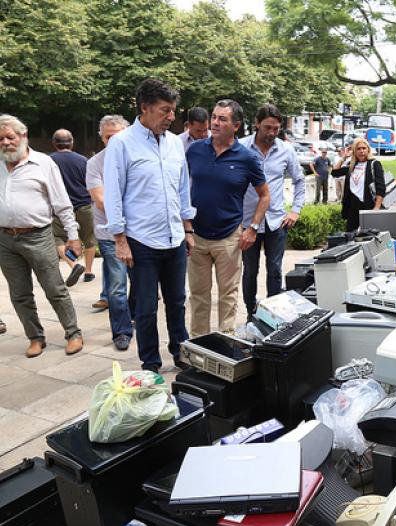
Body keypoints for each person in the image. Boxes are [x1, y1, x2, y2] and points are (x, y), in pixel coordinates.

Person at [102, 78, 196, 373]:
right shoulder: (122, 144)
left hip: (174, 238)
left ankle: (181, 353)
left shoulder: (174, 144)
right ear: (144, 108)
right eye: (165, 110)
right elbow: (114, 193)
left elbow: (183, 189)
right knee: (145, 309)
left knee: (178, 302)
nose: (171, 117)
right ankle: (151, 364)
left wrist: (188, 229)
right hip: (141, 242)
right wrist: (119, 239)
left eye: (173, 111)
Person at [0, 115, 83, 358]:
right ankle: (35, 337)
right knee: (19, 294)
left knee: (54, 289)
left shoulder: (43, 163)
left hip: (38, 236)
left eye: (10, 137)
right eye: (1, 139)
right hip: (5, 240)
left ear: (23, 136)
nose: (5, 142)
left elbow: (62, 204)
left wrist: (73, 236)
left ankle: (73, 333)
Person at [186, 100, 269, 336]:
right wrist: (186, 227)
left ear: (236, 126)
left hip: (230, 237)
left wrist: (252, 228)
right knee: (198, 296)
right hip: (197, 236)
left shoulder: (247, 158)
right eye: (214, 117)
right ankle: (199, 345)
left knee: (228, 295)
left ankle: (226, 344)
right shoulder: (195, 150)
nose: (215, 122)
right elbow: (180, 189)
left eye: (222, 119)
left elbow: (265, 196)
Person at [240, 103, 305, 311]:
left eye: (276, 128)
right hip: (247, 220)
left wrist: (295, 210)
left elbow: (300, 180)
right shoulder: (240, 148)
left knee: (275, 269)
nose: (272, 133)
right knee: (250, 270)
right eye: (267, 127)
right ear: (256, 124)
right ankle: (251, 311)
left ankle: (273, 312)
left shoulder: (286, 150)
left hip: (276, 221)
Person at [85, 115, 134, 351]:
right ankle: (122, 331)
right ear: (102, 138)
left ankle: (133, 318)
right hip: (109, 234)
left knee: (142, 282)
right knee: (116, 286)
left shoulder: (136, 157)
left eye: (117, 136)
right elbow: (101, 199)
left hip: (140, 233)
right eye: (108, 137)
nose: (113, 141)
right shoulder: (95, 163)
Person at [49, 129, 95, 286]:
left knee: (57, 239)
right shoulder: (83, 160)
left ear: (54, 143)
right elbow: (90, 183)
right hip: (83, 205)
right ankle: (88, 272)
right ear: (72, 142)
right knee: (89, 239)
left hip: (59, 209)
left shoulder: (48, 161)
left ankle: (74, 264)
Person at [332, 137, 385, 232]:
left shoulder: (374, 164)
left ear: (368, 150)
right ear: (354, 151)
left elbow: (380, 187)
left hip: (368, 206)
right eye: (358, 149)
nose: (361, 151)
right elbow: (335, 172)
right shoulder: (352, 165)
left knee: (368, 236)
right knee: (351, 236)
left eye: (364, 148)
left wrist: (376, 207)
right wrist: (343, 158)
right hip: (352, 207)